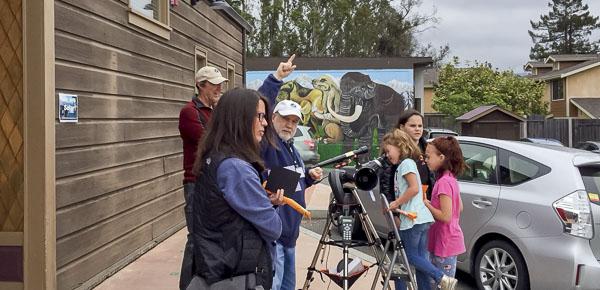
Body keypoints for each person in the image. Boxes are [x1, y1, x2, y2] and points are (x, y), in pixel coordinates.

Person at [187, 88, 284, 290]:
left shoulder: (214, 157)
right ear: (239, 119)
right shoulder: (237, 169)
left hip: (216, 271)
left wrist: (266, 202)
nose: (265, 123)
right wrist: (269, 207)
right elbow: (274, 228)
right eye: (260, 116)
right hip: (235, 277)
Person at [381, 129, 457, 290]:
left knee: (407, 256)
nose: (387, 155)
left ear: (399, 146)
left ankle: (441, 277)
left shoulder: (406, 164)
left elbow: (414, 188)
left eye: (388, 151)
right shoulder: (407, 164)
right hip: (421, 218)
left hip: (413, 219)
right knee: (420, 259)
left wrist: (395, 203)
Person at [261, 100, 323, 290]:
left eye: (294, 121)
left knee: (288, 286)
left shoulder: (292, 149)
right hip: (275, 234)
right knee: (275, 285)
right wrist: (277, 78)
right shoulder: (268, 145)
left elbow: (291, 185)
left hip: (290, 233)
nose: (289, 124)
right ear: (272, 118)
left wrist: (309, 177)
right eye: (285, 118)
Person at [178, 66, 228, 290]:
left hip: (214, 182)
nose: (219, 87)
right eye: (214, 83)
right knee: (195, 238)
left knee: (209, 238)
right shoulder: (189, 112)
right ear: (200, 85)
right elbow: (208, 142)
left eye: (220, 83)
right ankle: (187, 285)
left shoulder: (214, 112)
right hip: (196, 183)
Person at [423, 136, 466, 287]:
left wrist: (427, 204)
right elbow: (459, 208)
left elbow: (446, 217)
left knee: (441, 284)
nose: (426, 160)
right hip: (448, 239)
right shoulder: (451, 178)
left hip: (444, 242)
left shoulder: (442, 183)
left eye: (429, 156)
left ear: (441, 157)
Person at [381, 110, 435, 203]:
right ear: (402, 127)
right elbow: (386, 182)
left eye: (420, 126)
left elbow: (433, 178)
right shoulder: (394, 150)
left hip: (425, 205)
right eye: (412, 126)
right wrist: (394, 212)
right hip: (403, 206)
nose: (417, 129)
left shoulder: (427, 148)